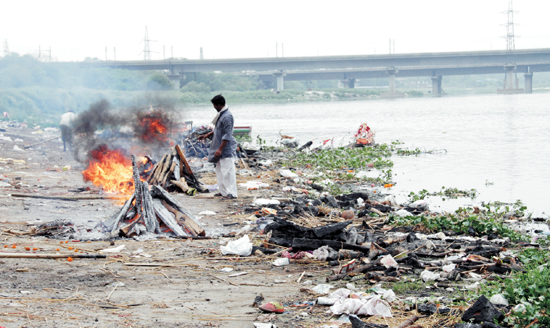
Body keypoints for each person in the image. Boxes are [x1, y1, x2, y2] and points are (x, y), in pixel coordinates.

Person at [198, 95, 238, 199]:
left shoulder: (227, 116)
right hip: (218, 148)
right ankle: (223, 191)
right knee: (220, 171)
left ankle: (232, 193)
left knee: (228, 172)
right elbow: (218, 129)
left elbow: (227, 134)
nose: (214, 107)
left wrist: (220, 149)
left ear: (219, 104)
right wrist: (207, 135)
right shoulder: (221, 114)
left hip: (225, 149)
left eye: (214, 105)